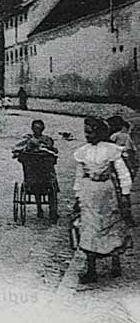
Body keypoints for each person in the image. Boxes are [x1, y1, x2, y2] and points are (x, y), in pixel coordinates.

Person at [73, 116, 134, 284]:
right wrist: (78, 196)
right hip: (89, 193)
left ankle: (115, 263)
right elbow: (79, 177)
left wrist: (125, 193)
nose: (88, 136)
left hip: (106, 193)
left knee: (110, 225)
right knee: (89, 228)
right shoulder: (83, 152)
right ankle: (91, 269)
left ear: (99, 132)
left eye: (91, 132)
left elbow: (122, 173)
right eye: (86, 132)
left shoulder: (111, 150)